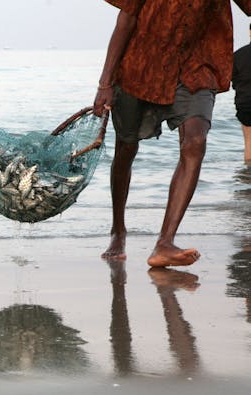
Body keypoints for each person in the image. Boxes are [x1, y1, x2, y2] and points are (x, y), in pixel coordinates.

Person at [93, 0, 251, 268]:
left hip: (197, 67)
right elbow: (126, 19)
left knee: (196, 142)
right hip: (141, 66)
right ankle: (118, 230)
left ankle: (165, 243)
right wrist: (105, 83)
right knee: (126, 148)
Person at [233, 23, 251, 163]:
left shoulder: (238, 55)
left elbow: (229, 80)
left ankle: (247, 178)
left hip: (245, 105)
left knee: (249, 144)